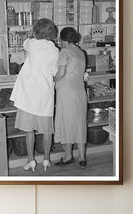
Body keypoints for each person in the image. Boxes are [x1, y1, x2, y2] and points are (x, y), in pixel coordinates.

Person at [10, 18, 59, 172]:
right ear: (52, 32)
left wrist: (32, 36)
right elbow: (55, 72)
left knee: (29, 130)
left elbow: (26, 42)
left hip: (28, 94)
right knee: (46, 130)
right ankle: (46, 159)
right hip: (45, 95)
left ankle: (31, 160)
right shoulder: (55, 50)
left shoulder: (32, 44)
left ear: (36, 31)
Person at [54, 27, 87, 168]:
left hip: (67, 92)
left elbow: (61, 73)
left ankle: (68, 157)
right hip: (80, 92)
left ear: (63, 40)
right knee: (80, 123)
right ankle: (82, 158)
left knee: (66, 123)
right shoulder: (81, 52)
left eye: (60, 40)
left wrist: (52, 79)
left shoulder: (65, 51)